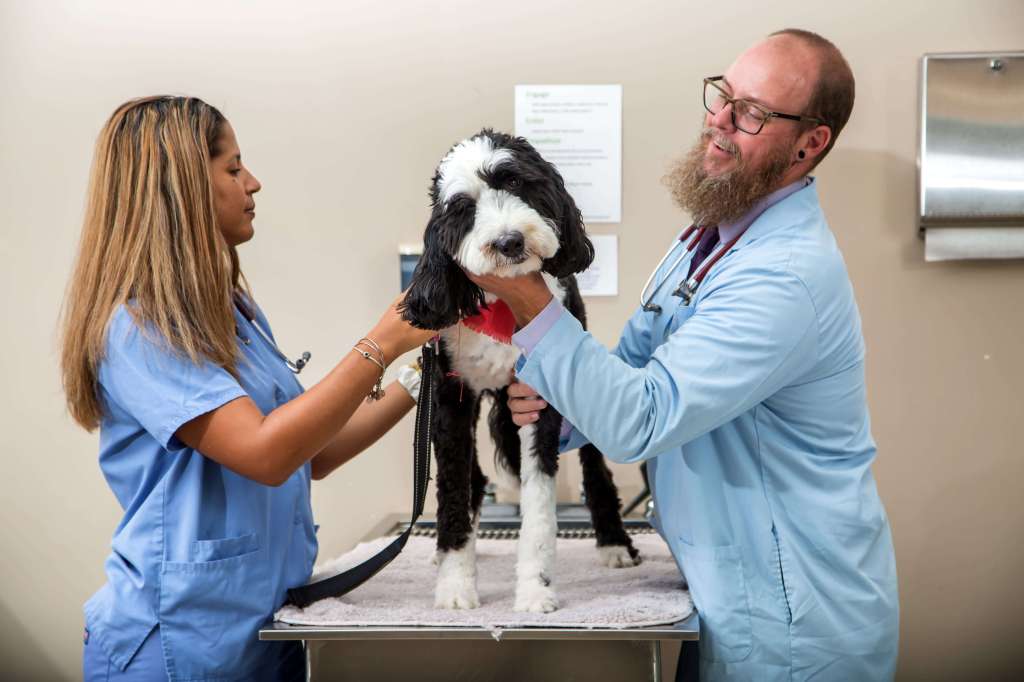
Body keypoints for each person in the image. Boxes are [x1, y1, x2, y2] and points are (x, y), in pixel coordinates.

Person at [468, 29, 899, 681]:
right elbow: (641, 372)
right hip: (729, 592)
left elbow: (643, 419)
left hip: (795, 624)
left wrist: (526, 297)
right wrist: (561, 401)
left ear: (810, 144)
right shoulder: (708, 238)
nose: (719, 121)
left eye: (751, 113)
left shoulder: (783, 276)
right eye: (723, 95)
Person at [60, 96, 435, 681]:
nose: (252, 183)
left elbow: (313, 453)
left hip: (263, 632)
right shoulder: (137, 328)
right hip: (178, 644)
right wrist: (382, 342)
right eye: (233, 169)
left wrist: (424, 369)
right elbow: (265, 453)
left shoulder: (233, 312)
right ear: (180, 189)